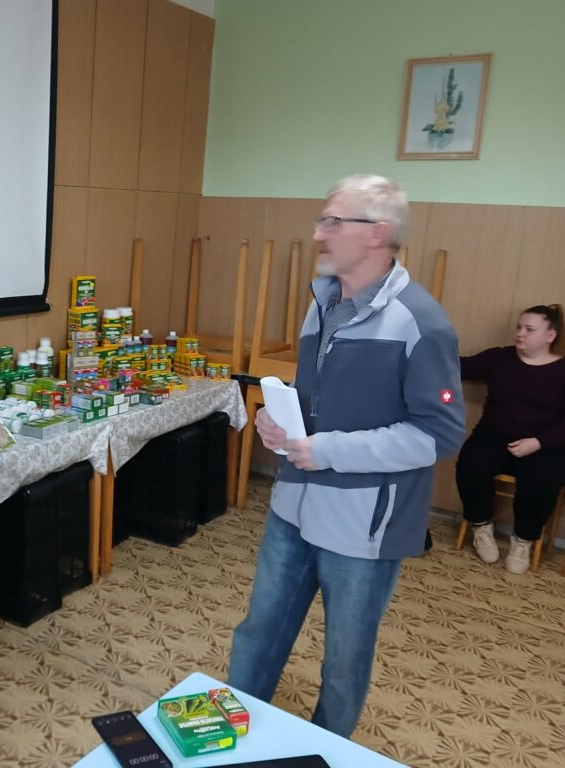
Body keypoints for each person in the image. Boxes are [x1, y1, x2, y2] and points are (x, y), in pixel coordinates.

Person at [227, 175, 465, 738]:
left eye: (333, 222)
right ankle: (231, 734)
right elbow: (317, 400)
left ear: (377, 233)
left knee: (343, 662)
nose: (318, 234)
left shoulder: (421, 323)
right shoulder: (321, 303)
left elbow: (439, 433)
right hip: (292, 505)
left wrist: (328, 450)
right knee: (258, 632)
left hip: (364, 527)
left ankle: (328, 749)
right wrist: (276, 422)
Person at [456, 304, 565, 574]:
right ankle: (481, 526)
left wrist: (537, 442)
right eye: (519, 327)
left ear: (550, 336)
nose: (520, 333)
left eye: (529, 329)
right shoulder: (499, 358)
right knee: (471, 464)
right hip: (494, 435)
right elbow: (459, 367)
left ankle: (523, 540)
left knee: (542, 480)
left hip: (543, 444)